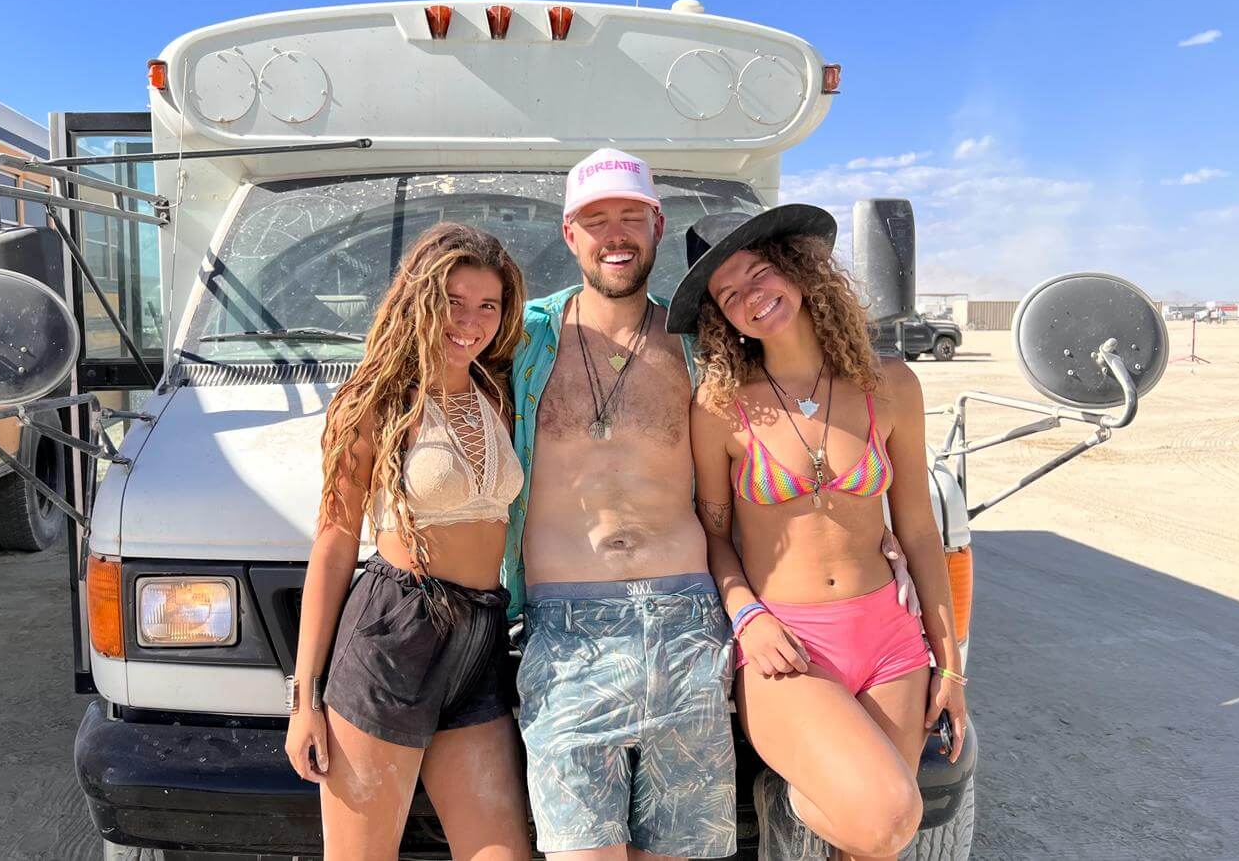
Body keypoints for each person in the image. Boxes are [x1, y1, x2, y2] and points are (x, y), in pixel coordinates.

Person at [504, 151, 916, 861]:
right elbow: (429, 375)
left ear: (658, 226)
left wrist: (867, 527)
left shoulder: (705, 351)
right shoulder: (521, 341)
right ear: (569, 235)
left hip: (691, 625)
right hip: (566, 629)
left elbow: (792, 430)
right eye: (595, 221)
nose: (616, 235)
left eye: (631, 216)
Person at [668, 205, 968, 861]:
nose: (750, 297)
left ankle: (814, 803)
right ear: (720, 315)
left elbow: (918, 530)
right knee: (887, 813)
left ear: (800, 273)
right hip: (788, 644)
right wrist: (749, 616)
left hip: (890, 640)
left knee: (874, 844)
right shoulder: (719, 409)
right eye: (728, 293)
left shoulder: (891, 386)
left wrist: (949, 665)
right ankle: (793, 797)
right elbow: (714, 534)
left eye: (760, 273)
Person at [284, 222, 531, 861]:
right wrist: (304, 697)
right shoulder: (373, 402)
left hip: (480, 634)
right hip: (396, 633)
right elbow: (335, 542)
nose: (470, 322)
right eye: (452, 302)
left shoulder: (495, 393)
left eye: (488, 306)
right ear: (419, 299)